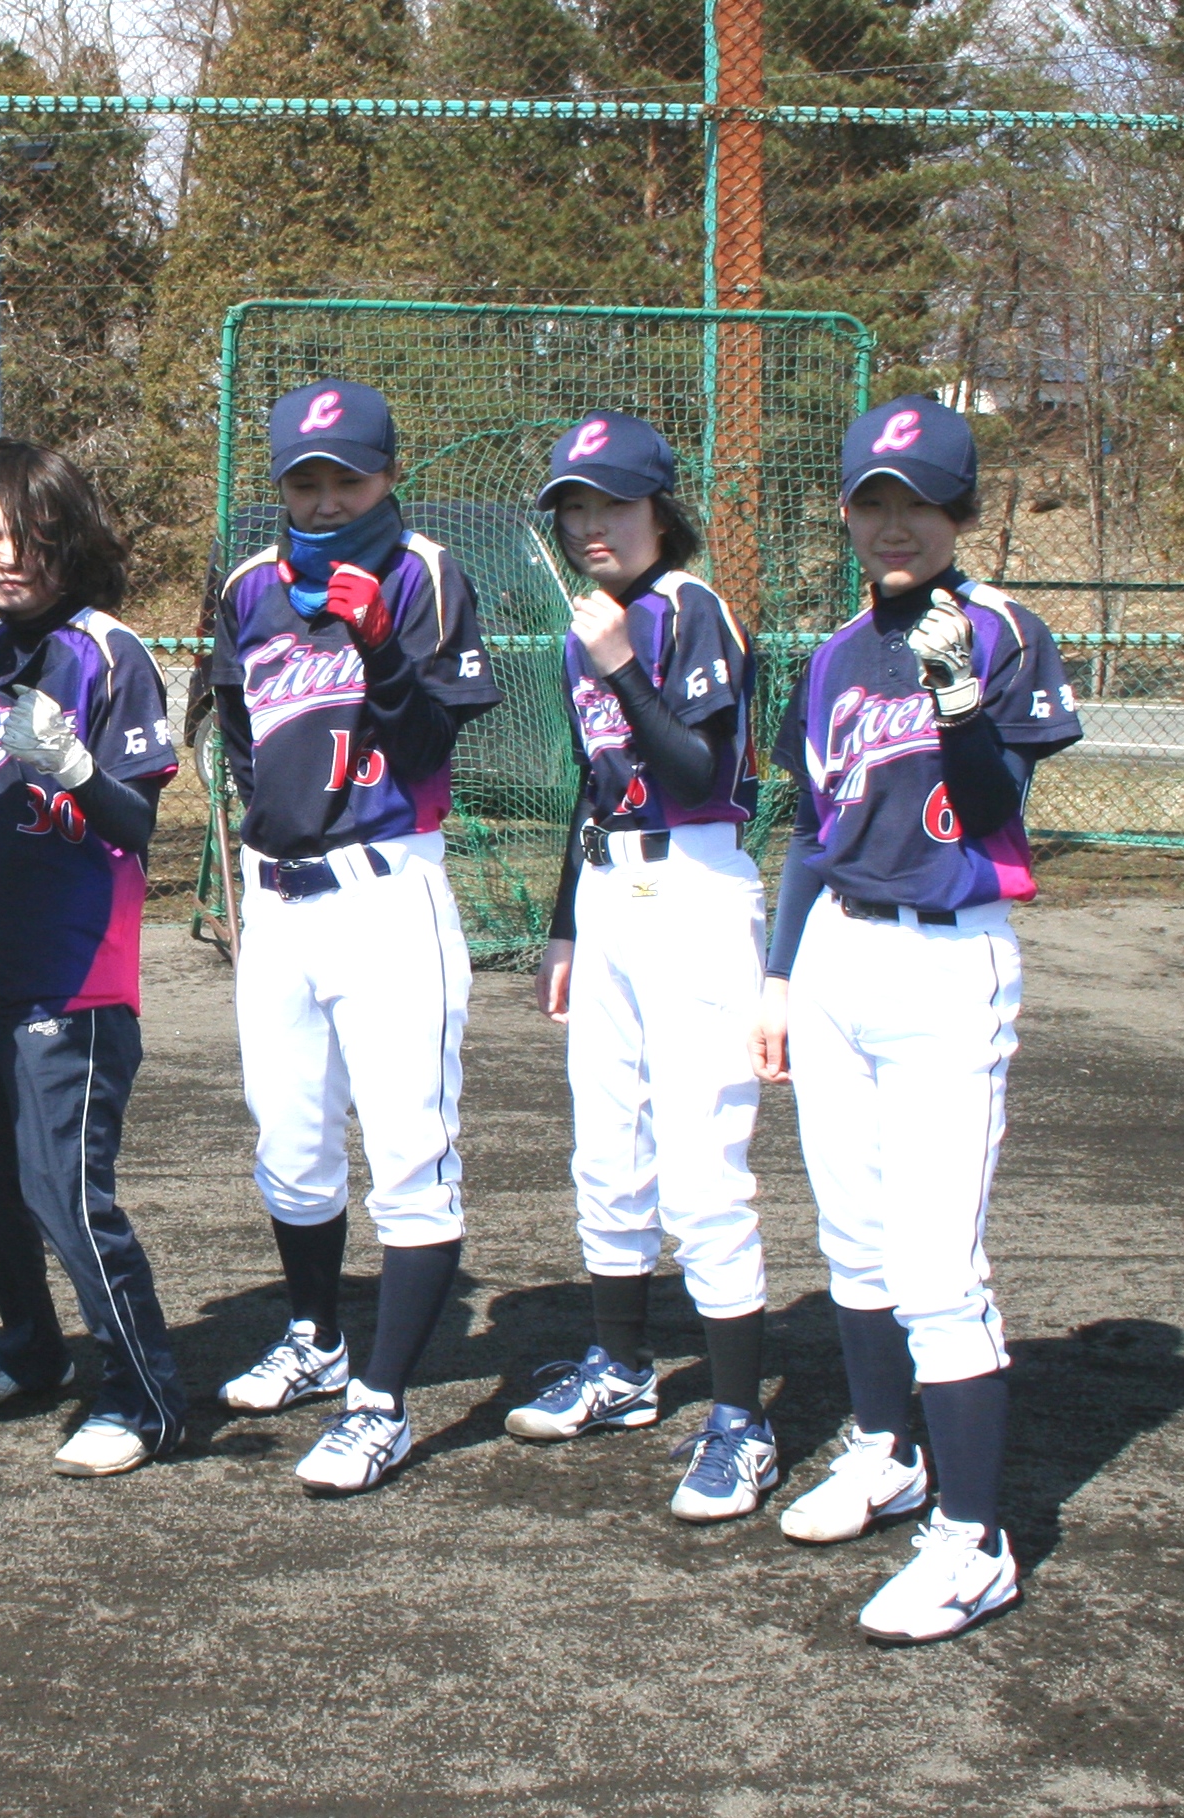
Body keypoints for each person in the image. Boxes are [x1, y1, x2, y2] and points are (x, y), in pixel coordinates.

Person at [753, 395, 1082, 1643]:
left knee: (940, 1266)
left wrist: (955, 702)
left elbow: (1001, 800)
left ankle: (975, 1541)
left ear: (960, 511)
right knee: (854, 1240)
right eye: (872, 502)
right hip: (838, 952)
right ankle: (888, 1450)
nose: (894, 524)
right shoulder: (836, 653)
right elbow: (812, 826)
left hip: (950, 964)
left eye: (919, 502)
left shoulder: (1001, 632)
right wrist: (780, 976)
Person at [207, 379, 502, 1494]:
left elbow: (430, 748)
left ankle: (381, 1403)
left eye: (348, 474)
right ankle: (317, 1341)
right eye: (305, 477)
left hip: (387, 892)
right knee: (289, 1149)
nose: (325, 497)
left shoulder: (424, 572)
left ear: (388, 473)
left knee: (409, 1157)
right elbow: (236, 726)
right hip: (280, 900)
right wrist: (254, 828)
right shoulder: (249, 585)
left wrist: (381, 648)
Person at [505, 412, 775, 1522]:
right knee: (605, 1142)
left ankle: (740, 1419)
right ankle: (619, 1370)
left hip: (699, 888)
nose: (589, 524)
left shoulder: (687, 609)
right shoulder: (594, 625)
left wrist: (620, 663)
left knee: (703, 1159)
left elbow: (697, 763)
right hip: (614, 891)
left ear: (662, 508)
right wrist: (567, 922)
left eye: (611, 503)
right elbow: (596, 780)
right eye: (574, 506)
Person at [0, 439, 187, 1476]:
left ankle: (146, 1394)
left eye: (30, 533)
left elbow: (135, 824)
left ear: (68, 535)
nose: (9, 556)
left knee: (66, 1192)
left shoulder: (107, 652)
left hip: (71, 971)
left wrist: (74, 765)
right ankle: (33, 1346)